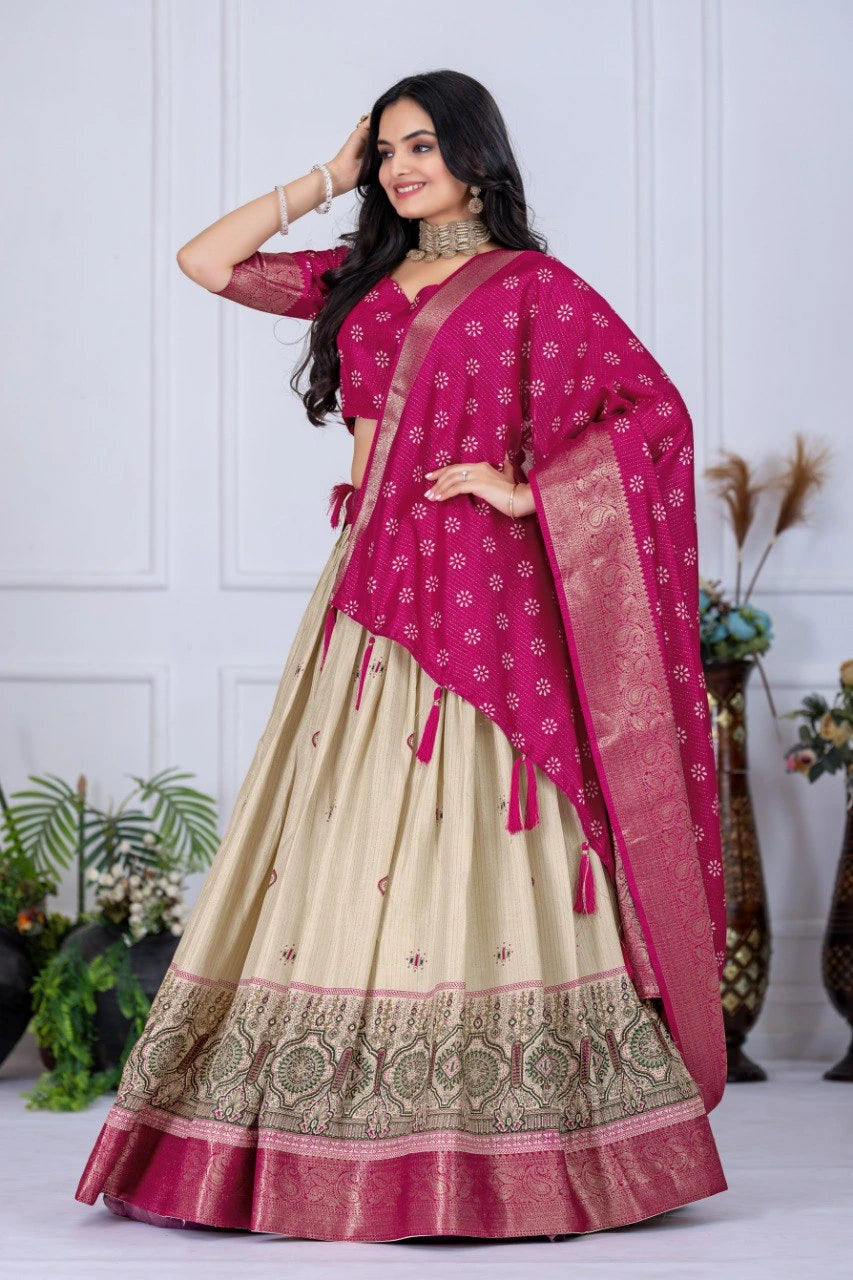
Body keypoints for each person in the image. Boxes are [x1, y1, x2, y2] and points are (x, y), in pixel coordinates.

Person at [75, 69, 728, 1243]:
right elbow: (205, 260)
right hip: (370, 582)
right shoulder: (359, 275)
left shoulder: (533, 288)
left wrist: (530, 491)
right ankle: (329, 1126)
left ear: (475, 153)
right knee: (343, 821)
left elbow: (651, 416)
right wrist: (326, 176)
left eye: (420, 145)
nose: (401, 168)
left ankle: (511, 1138)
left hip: (480, 591)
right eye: (386, 152)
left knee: (487, 818)